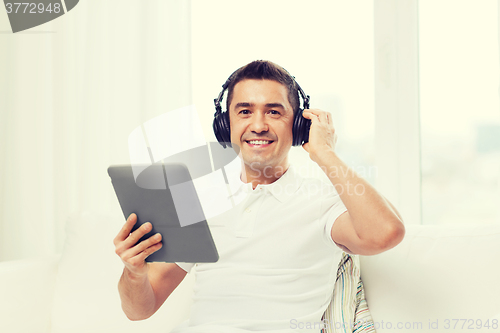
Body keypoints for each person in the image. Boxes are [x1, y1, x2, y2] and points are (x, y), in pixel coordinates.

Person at [113, 60, 405, 332]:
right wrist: (134, 272)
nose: (258, 125)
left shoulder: (322, 201)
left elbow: (386, 233)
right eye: (244, 111)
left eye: (274, 112)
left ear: (299, 126)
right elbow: (140, 309)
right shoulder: (199, 203)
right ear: (225, 125)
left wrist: (324, 152)